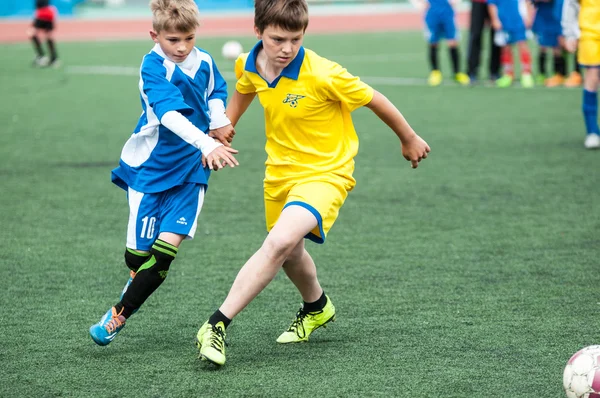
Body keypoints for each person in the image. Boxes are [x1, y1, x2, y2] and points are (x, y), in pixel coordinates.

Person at [195, 0, 431, 366]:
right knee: (289, 254)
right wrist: (223, 129)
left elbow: (375, 99)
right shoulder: (249, 62)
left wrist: (409, 138)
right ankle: (317, 305)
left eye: (295, 38)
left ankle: (216, 324)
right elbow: (245, 88)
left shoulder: (324, 73)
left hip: (326, 173)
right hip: (279, 174)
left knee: (279, 241)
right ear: (258, 32)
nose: (287, 48)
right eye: (277, 39)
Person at [89, 0, 239, 346]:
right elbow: (170, 115)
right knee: (137, 257)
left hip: (191, 171)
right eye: (173, 40)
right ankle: (135, 278)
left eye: (188, 38)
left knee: (163, 255)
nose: (182, 47)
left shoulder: (205, 60)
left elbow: (215, 90)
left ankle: (118, 315)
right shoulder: (152, 66)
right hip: (151, 167)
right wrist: (208, 142)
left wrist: (218, 118)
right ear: (154, 35)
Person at [562, 0, 600, 148]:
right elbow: (570, 4)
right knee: (592, 76)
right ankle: (592, 131)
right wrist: (570, 34)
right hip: (589, 34)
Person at [410, 0, 471, 86]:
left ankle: (457, 73)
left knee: (452, 42)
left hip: (448, 13)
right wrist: (419, 4)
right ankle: (435, 72)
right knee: (433, 42)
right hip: (432, 14)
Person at [488, 0, 535, 87]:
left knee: (522, 45)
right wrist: (495, 19)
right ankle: (508, 74)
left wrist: (529, 16)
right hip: (503, 20)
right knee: (505, 48)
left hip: (519, 20)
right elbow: (492, 4)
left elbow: (527, 2)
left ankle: (526, 74)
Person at [530, 0, 566, 86]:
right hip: (542, 18)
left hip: (556, 17)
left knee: (557, 47)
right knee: (542, 47)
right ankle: (542, 74)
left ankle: (559, 74)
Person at [466, 0, 502, 83]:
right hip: (478, 2)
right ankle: (472, 71)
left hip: (495, 2)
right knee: (475, 35)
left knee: (496, 36)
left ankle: (494, 71)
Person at [29, 0, 59, 67]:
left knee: (32, 33)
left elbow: (38, 7)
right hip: (49, 13)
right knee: (49, 36)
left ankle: (41, 56)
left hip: (43, 13)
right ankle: (53, 58)